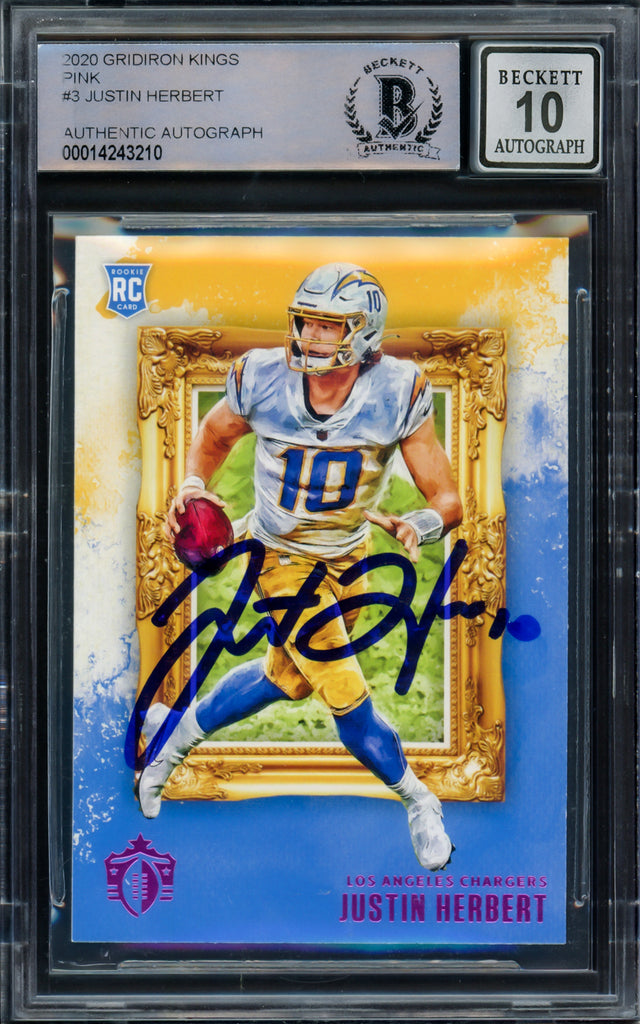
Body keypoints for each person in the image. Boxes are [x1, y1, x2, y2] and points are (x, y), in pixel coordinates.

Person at [137, 262, 463, 871]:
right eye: (306, 322)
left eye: (328, 325)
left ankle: (170, 730)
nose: (310, 336)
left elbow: (448, 501)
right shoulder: (262, 377)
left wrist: (415, 524)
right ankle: (419, 799)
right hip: (279, 556)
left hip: (348, 556)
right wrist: (192, 483)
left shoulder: (398, 390)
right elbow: (214, 435)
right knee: (349, 704)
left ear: (364, 332)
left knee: (281, 679)